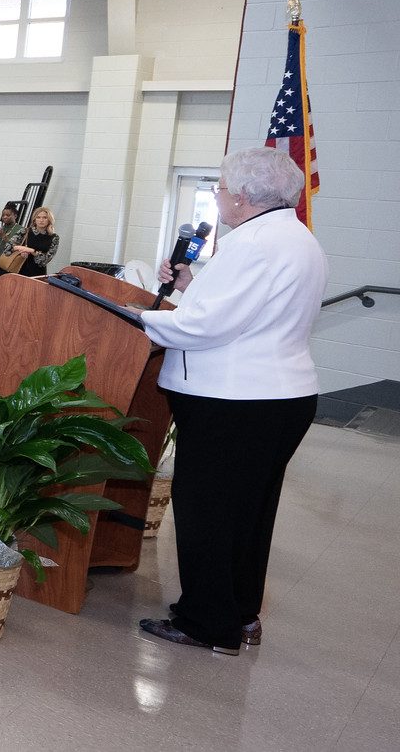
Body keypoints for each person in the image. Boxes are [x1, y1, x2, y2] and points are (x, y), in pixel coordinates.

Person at [135, 147, 327, 656]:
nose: (217, 196)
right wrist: (190, 286)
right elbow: (249, 313)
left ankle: (206, 622)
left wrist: (137, 317)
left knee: (208, 511)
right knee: (249, 511)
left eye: (219, 188)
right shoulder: (297, 239)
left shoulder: (253, 244)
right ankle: (240, 614)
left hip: (235, 399)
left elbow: (205, 326)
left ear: (242, 197)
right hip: (279, 396)